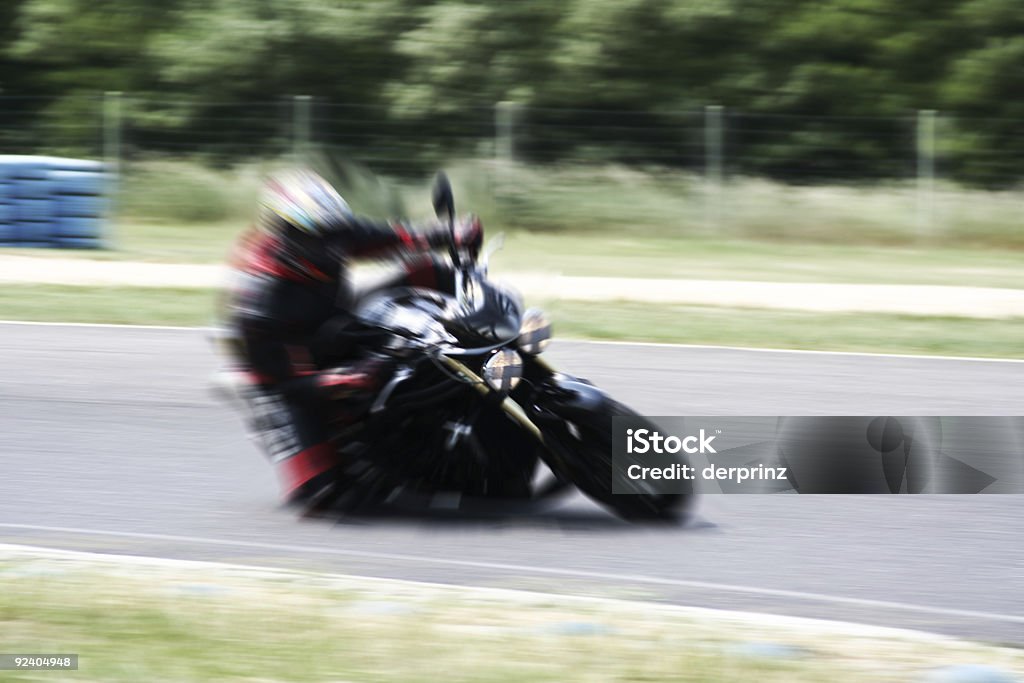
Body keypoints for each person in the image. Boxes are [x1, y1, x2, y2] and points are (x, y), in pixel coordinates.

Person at [221, 169, 482, 505]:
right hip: (291, 371)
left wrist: (448, 233)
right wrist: (341, 379)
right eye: (316, 237)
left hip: (338, 320)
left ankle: (482, 351)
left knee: (432, 270)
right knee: (324, 494)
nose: (330, 246)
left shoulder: (335, 233)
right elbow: (286, 383)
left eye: (333, 233)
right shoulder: (263, 301)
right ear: (285, 234)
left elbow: (395, 237)